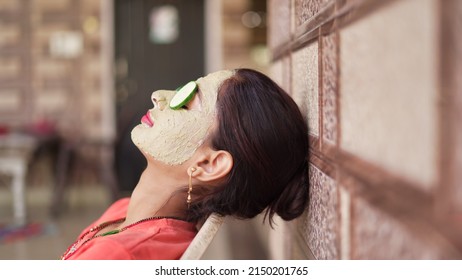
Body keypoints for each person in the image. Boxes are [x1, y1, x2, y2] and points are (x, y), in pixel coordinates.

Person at [61, 68, 309, 260]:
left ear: (209, 164)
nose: (158, 96)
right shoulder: (123, 210)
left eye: (186, 101)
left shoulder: (117, 258)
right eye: (180, 89)